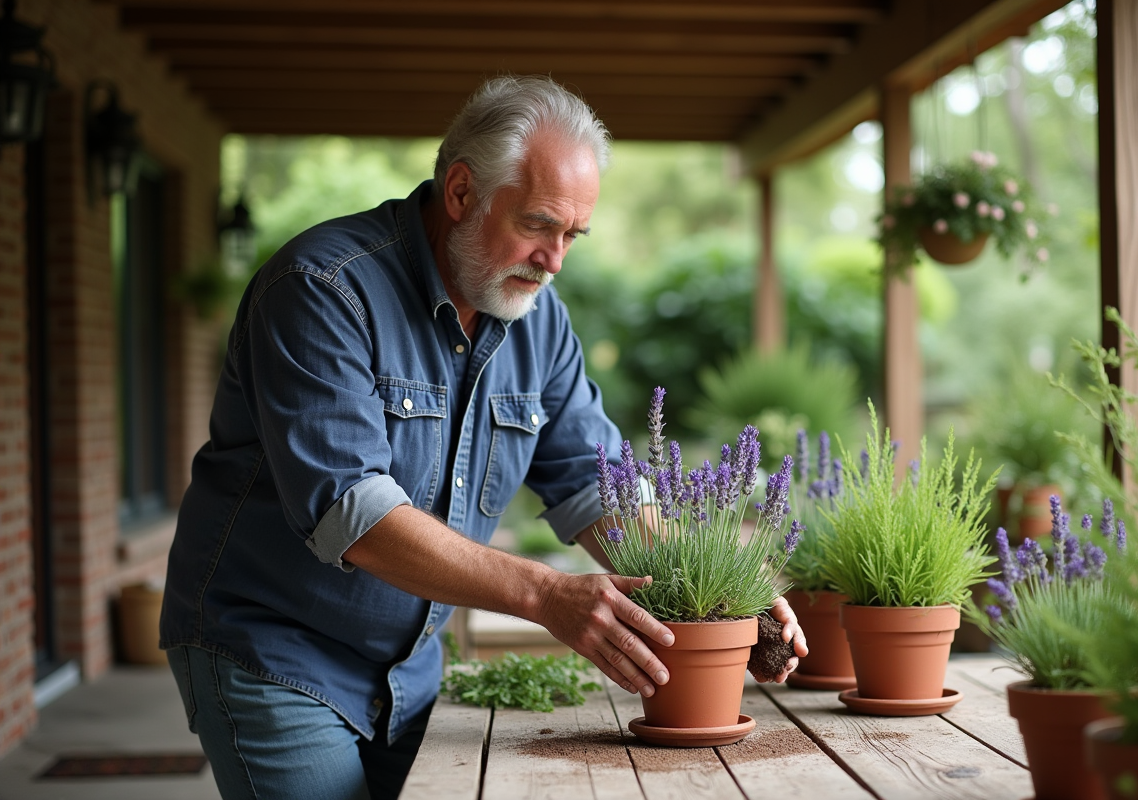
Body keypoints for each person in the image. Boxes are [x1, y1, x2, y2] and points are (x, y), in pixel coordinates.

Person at [160, 75, 807, 800]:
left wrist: (711, 595)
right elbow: (354, 514)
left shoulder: (541, 320)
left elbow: (597, 485)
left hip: (412, 669)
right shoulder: (320, 289)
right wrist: (545, 594)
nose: (555, 259)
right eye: (538, 224)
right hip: (274, 651)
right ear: (461, 192)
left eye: (572, 235)